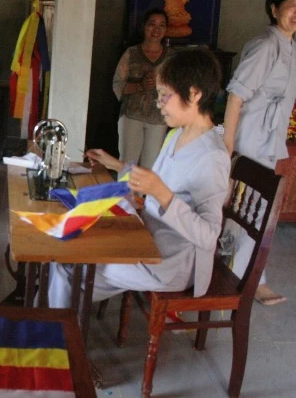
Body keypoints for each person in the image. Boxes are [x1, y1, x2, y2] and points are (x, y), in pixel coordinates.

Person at [49, 49, 230, 308]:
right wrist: (117, 165)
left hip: (172, 263)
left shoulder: (212, 156)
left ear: (194, 94)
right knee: (70, 254)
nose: (158, 103)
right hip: (147, 239)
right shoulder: (177, 135)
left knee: (72, 266)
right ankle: (53, 318)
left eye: (165, 95)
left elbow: (209, 236)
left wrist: (162, 194)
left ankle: (54, 326)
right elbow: (156, 182)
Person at [223, 0, 296, 306]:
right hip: (249, 142)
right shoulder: (267, 44)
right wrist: (228, 147)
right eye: (291, 6)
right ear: (274, 9)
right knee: (246, 211)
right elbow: (235, 97)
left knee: (253, 212)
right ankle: (241, 281)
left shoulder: (290, 46)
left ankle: (245, 279)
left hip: (267, 143)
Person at [113, 8, 174, 170]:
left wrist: (161, 86)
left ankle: (144, 190)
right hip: (132, 116)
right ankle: (124, 189)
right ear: (144, 27)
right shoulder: (132, 53)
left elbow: (177, 89)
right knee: (127, 164)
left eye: (161, 25)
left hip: (159, 118)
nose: (156, 29)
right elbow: (118, 85)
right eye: (152, 24)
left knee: (151, 166)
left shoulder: (171, 57)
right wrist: (140, 85)